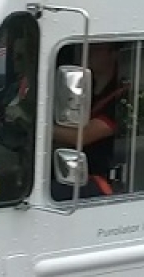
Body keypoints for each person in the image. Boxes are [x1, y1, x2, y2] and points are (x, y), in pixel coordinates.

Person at [51, 41, 129, 201]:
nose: (87, 52)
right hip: (71, 168)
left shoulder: (122, 98)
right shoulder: (85, 89)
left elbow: (82, 136)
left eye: (96, 48)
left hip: (98, 179)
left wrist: (38, 128)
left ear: (113, 54)